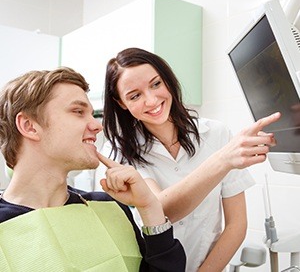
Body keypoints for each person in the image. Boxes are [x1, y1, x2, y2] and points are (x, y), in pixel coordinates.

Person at [95, 47, 281, 272]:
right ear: (121, 102)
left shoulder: (216, 134)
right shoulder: (118, 151)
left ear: (167, 80)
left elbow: (236, 224)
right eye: (135, 95)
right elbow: (160, 211)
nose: (152, 100)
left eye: (156, 84)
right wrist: (222, 160)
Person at [0, 67, 186, 272]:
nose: (97, 126)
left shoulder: (108, 207)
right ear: (29, 126)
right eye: (78, 112)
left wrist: (150, 207)